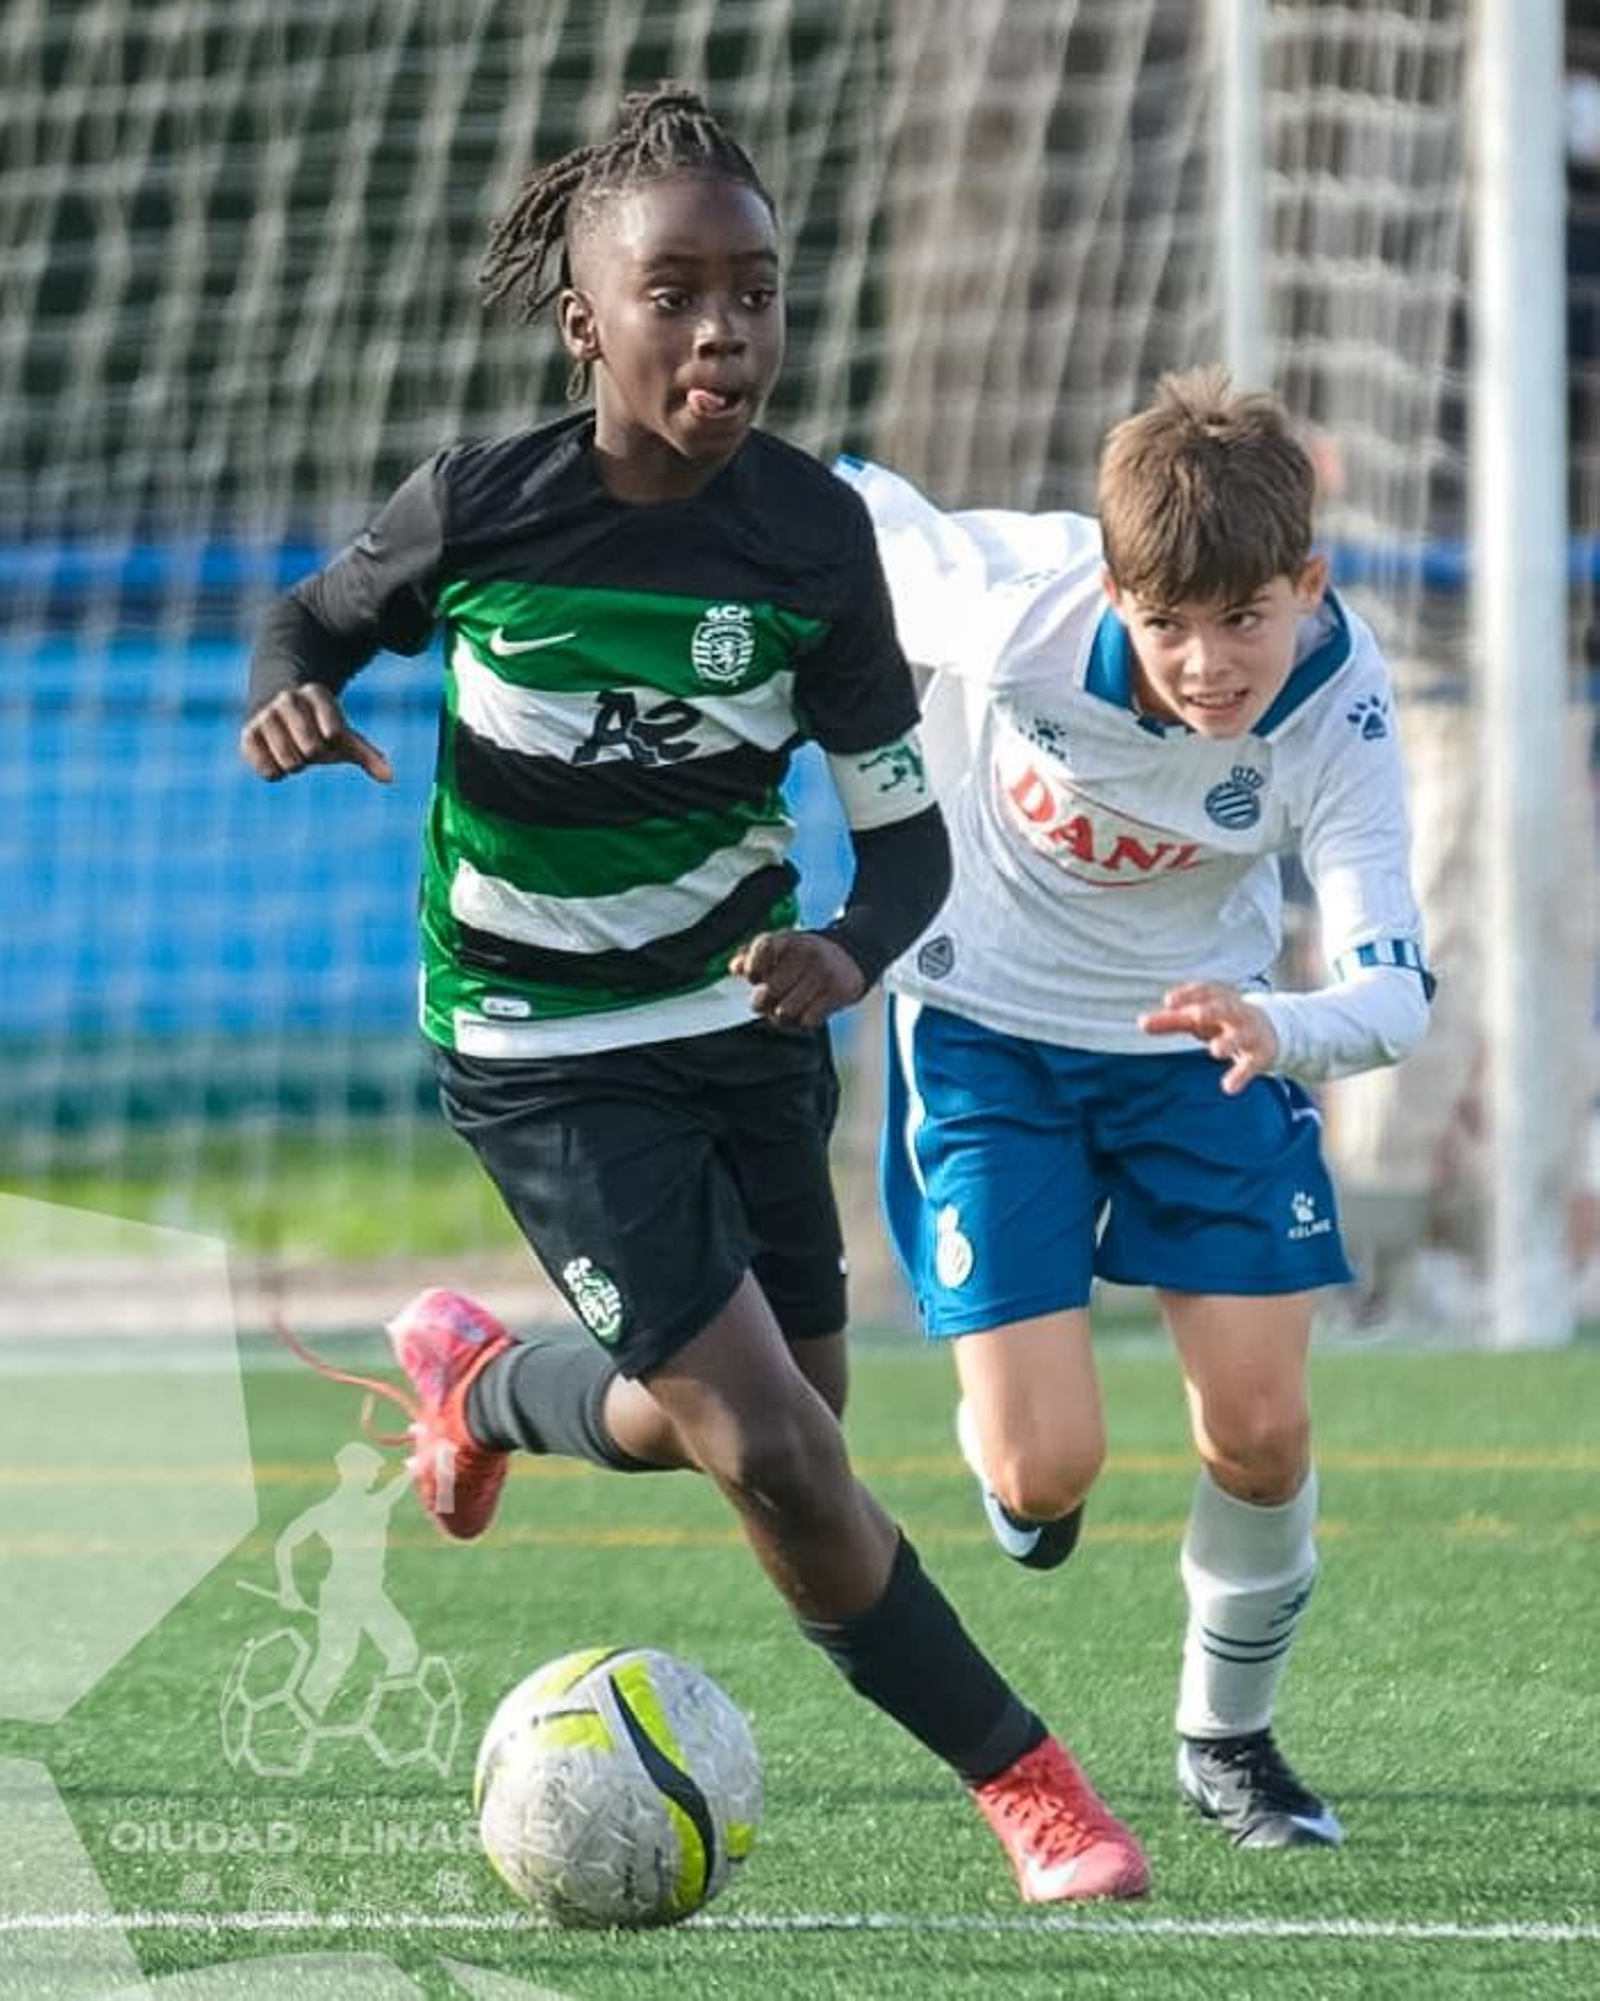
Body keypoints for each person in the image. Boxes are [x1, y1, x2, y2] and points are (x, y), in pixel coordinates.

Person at [240, 85, 1149, 1905]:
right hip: (538, 1045)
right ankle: (1037, 1791)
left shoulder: (812, 544)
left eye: (756, 293)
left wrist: (849, 950)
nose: (724, 331)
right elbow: (310, 622)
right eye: (676, 295)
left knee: (766, 1415)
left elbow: (906, 847)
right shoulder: (483, 507)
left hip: (744, 1024)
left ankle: (481, 1384)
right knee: (784, 1456)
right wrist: (291, 696)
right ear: (588, 323)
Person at [837, 366, 1432, 1851]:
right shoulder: (1012, 610)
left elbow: (1396, 990)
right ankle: (1018, 1464)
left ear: (1308, 586)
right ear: (1113, 593)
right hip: (987, 1034)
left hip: (1209, 1050)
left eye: (1245, 619)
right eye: (1167, 624)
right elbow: (851, 507)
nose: (1208, 664)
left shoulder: (1343, 711)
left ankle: (1228, 1742)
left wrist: (1278, 1027)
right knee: (1044, 1473)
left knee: (1263, 1429)